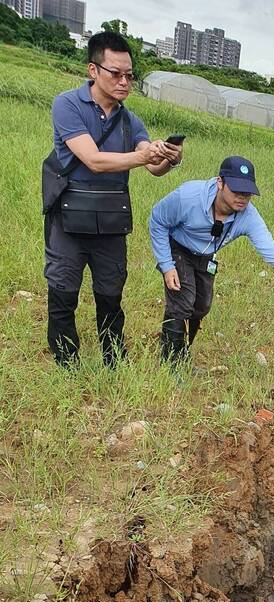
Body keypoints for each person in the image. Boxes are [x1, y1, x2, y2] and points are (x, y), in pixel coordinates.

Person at [44, 30, 182, 367]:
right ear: (93, 71)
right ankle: (66, 363)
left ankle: (113, 357)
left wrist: (167, 157)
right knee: (63, 290)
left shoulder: (130, 121)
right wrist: (144, 157)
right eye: (115, 73)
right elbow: (93, 159)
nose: (124, 82)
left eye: (129, 75)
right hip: (69, 216)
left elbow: (152, 168)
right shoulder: (67, 105)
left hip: (110, 219)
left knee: (110, 293)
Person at [148, 156, 274, 366]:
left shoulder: (247, 216)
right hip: (178, 248)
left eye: (248, 193)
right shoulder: (187, 197)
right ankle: (172, 361)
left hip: (207, 255)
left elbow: (267, 244)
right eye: (236, 191)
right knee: (182, 302)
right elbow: (157, 220)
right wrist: (166, 265)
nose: (242, 198)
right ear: (220, 183)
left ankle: (181, 347)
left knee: (201, 306)